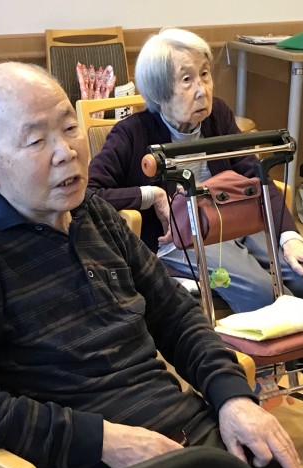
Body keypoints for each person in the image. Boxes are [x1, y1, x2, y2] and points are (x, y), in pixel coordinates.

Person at [0, 61, 303, 468]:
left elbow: (176, 316)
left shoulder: (96, 216)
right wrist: (104, 440)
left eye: (69, 128)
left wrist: (232, 398)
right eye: (36, 140)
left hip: (190, 438)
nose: (66, 152)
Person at [88, 27, 303, 313]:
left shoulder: (218, 116)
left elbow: (255, 174)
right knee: (263, 292)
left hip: (233, 221)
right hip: (179, 241)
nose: (203, 90)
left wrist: (290, 237)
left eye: (204, 74)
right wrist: (152, 195)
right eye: (187, 80)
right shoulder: (130, 133)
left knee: (300, 273)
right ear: (159, 92)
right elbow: (89, 194)